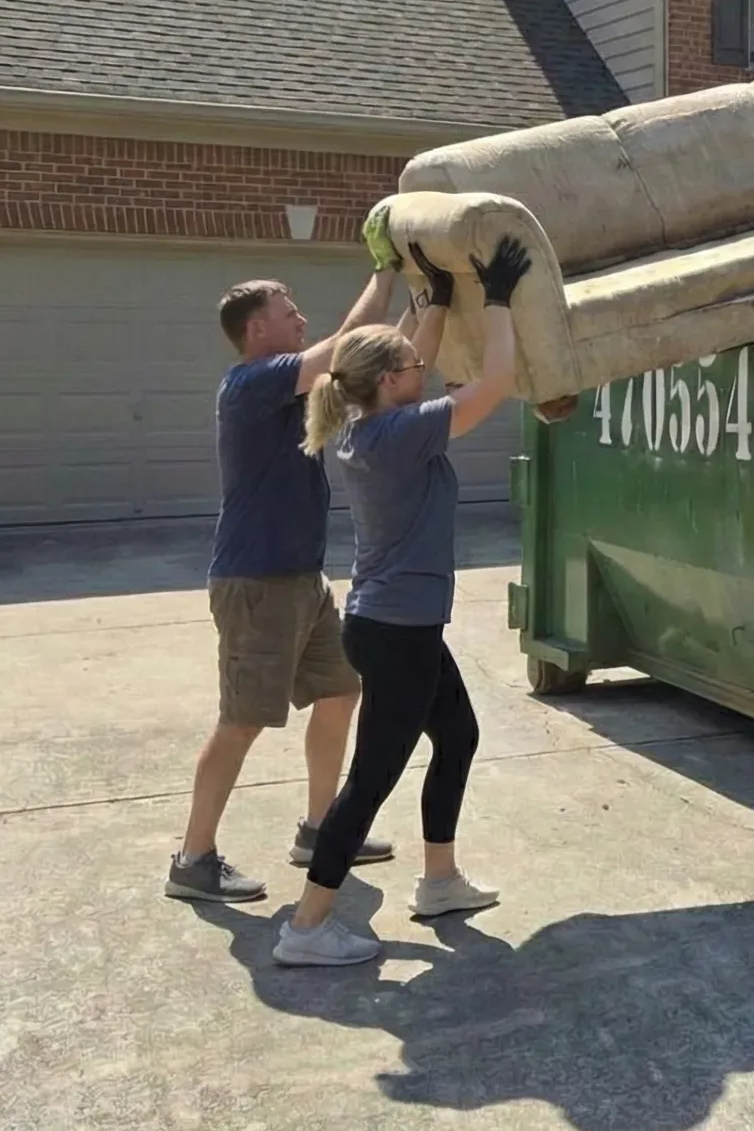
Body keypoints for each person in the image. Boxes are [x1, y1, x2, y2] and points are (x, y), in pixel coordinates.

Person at [271, 232, 531, 967]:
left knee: (459, 736)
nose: (425, 366)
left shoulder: (363, 421)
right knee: (372, 779)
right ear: (390, 381)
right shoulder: (405, 431)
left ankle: (440, 881)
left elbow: (405, 349)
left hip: (395, 624)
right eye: (416, 366)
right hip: (399, 631)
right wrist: (503, 301)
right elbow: (497, 382)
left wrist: (440, 301)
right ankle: (307, 927)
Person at [164, 205, 409, 905]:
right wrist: (384, 271)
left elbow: (362, 359)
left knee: (340, 691)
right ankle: (193, 857)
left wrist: (423, 306)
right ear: (256, 330)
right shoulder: (247, 385)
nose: (300, 319)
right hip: (256, 583)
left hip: (302, 580)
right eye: (288, 310)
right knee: (242, 719)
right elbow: (346, 343)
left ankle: (321, 828)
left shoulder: (291, 391)